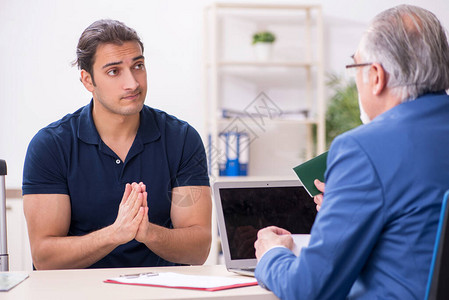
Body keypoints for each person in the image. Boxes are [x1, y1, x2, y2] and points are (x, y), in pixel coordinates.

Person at [254, 5, 449, 299]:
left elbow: (309, 290)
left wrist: (271, 255)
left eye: (355, 67)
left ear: (375, 76)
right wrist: (348, 203)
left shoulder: (362, 150)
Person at [22, 19, 212, 269]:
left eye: (138, 66)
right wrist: (115, 234)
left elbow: (198, 251)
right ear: (88, 80)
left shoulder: (182, 139)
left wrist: (148, 233)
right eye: (114, 71)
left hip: (162, 292)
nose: (133, 83)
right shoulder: (50, 145)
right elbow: (45, 258)